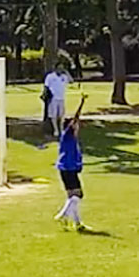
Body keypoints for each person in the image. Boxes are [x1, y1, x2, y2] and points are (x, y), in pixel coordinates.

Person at [54, 96, 88, 230]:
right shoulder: (67, 135)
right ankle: (62, 215)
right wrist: (82, 103)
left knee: (72, 198)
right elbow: (75, 119)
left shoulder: (72, 140)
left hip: (68, 168)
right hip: (68, 169)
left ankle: (77, 223)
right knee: (78, 195)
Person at [43, 65, 72, 135]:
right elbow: (46, 86)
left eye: (62, 68)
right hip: (53, 98)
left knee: (61, 115)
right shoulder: (50, 76)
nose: (60, 70)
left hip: (61, 98)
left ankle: (61, 129)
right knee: (54, 115)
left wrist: (66, 72)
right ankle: (56, 130)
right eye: (59, 68)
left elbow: (71, 81)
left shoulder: (64, 77)